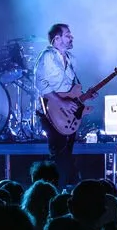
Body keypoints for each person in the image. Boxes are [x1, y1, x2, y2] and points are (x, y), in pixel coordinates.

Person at [33, 23, 81, 175]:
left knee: (67, 154)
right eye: (68, 35)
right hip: (51, 110)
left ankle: (64, 189)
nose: (71, 37)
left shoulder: (71, 59)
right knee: (58, 154)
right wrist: (61, 102)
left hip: (68, 113)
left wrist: (84, 94)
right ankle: (54, 190)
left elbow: (71, 87)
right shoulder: (47, 56)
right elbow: (39, 83)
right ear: (57, 39)